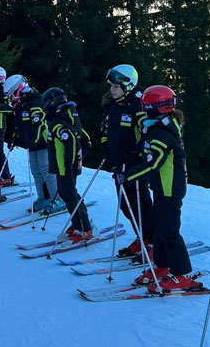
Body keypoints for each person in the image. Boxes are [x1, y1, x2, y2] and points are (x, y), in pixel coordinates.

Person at [113, 85, 201, 292]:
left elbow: (153, 164)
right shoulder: (157, 128)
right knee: (160, 229)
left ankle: (183, 274)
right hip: (161, 186)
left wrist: (128, 176)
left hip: (170, 188)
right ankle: (162, 266)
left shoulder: (163, 134)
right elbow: (144, 152)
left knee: (169, 231)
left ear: (155, 108)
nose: (143, 111)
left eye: (146, 107)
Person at [101, 64, 154, 257]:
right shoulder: (113, 105)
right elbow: (105, 129)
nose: (112, 90)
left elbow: (148, 133)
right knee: (126, 205)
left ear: (128, 86)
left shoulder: (137, 106)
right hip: (118, 164)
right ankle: (143, 237)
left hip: (134, 166)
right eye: (111, 86)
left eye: (116, 87)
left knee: (141, 205)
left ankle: (153, 241)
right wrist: (106, 147)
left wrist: (136, 153)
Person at [42, 87, 94, 243]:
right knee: (67, 194)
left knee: (69, 195)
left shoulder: (60, 124)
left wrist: (71, 166)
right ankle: (77, 223)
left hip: (66, 167)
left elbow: (73, 143)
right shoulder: (61, 119)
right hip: (63, 166)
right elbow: (84, 138)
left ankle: (84, 228)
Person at [3, 75, 60, 212]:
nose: (12, 98)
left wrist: (33, 139)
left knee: (47, 171)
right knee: (36, 171)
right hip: (31, 143)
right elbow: (20, 125)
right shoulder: (20, 104)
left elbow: (38, 121)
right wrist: (15, 138)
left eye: (13, 94)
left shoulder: (35, 100)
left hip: (42, 141)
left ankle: (57, 199)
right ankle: (44, 197)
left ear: (19, 89)